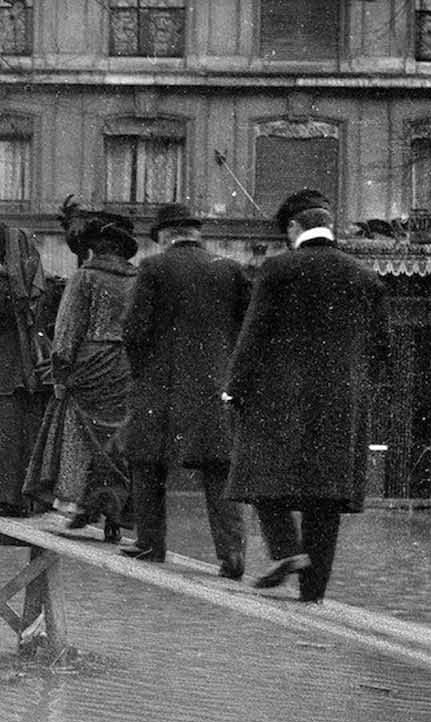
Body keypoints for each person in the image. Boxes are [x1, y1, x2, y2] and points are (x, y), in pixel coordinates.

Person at [225, 190, 387, 603]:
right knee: (326, 497)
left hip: (281, 398)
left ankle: (286, 550)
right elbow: (382, 350)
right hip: (341, 402)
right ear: (329, 228)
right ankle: (313, 593)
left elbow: (253, 334)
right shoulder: (366, 276)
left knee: (260, 475)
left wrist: (235, 387)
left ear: (295, 229)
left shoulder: (278, 269)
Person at [119, 202, 249, 577]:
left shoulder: (154, 268)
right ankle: (232, 553)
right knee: (218, 469)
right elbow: (245, 331)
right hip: (213, 386)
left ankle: (150, 543)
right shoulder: (229, 269)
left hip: (160, 388)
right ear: (196, 233)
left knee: (146, 462)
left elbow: (134, 331)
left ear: (163, 235)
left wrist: (144, 374)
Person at [25, 205, 139, 541]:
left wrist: (59, 374)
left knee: (77, 433)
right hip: (125, 366)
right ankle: (114, 513)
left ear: (94, 247)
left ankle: (75, 505)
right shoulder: (138, 279)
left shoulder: (85, 278)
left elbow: (66, 332)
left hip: (89, 363)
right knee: (115, 438)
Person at [0, 225, 51, 516]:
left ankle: (0, 497)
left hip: (5, 367)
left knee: (3, 433)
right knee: (30, 433)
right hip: (37, 369)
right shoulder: (44, 283)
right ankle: (30, 498)